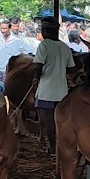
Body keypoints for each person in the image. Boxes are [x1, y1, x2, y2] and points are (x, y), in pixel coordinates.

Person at [33, 19, 74, 154]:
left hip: (46, 91)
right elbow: (71, 68)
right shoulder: (64, 47)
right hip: (62, 92)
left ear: (45, 31)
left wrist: (35, 78)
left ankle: (53, 148)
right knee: (62, 123)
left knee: (49, 123)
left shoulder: (44, 45)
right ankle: (62, 146)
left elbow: (37, 65)